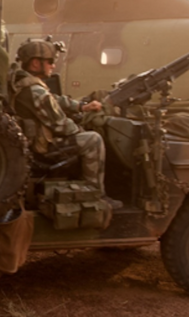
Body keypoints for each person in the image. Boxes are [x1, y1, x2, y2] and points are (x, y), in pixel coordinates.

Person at [7, 39, 120, 206]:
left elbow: (55, 100)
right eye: (50, 61)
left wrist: (82, 107)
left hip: (32, 143)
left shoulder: (23, 83)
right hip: (42, 149)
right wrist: (81, 127)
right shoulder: (36, 91)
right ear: (36, 63)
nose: (53, 65)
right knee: (93, 140)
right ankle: (96, 195)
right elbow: (61, 125)